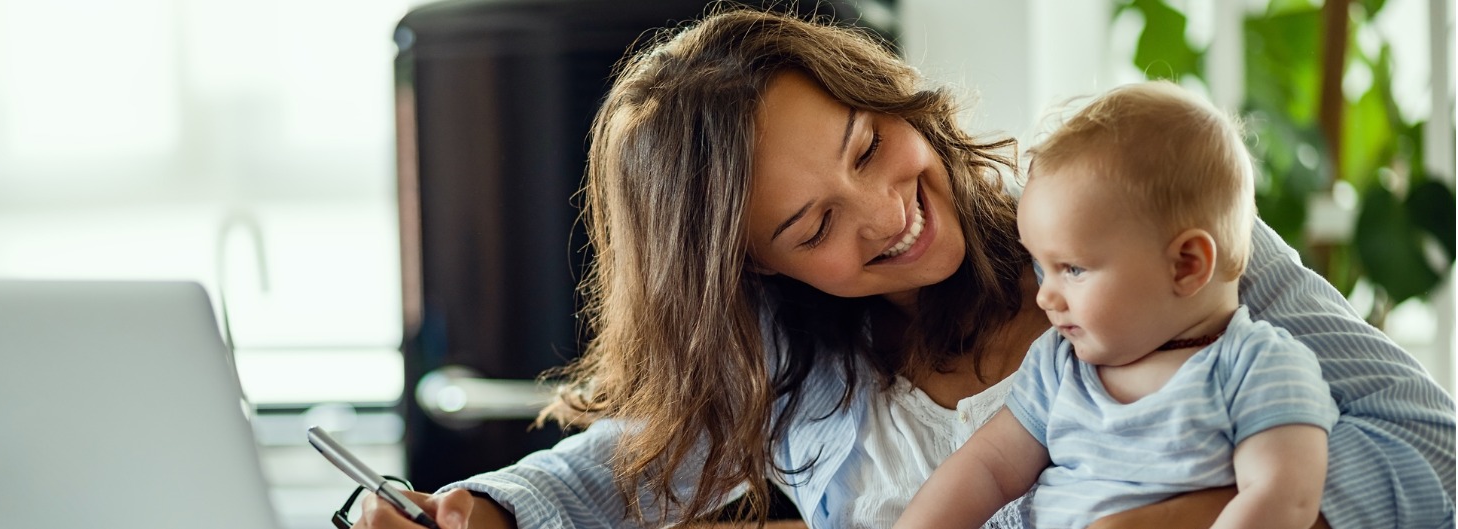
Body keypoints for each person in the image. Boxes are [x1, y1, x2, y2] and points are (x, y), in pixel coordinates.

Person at [353, 8, 1456, 529]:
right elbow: (611, 468)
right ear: (751, 271)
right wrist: (477, 513)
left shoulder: (1140, 233)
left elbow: (1435, 453)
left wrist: (1221, 508)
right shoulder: (793, 359)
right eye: (810, 226)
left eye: (870, 146)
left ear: (885, 94)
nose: (886, 214)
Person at [890, 82, 1340, 529]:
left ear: (1186, 265)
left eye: (1073, 269)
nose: (1046, 296)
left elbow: (1282, 500)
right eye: (1042, 266)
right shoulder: (1059, 366)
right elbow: (987, 468)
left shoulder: (1257, 368)